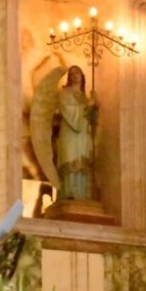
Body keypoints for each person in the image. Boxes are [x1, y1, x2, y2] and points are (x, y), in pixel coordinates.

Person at [56, 65, 97, 200]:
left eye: (77, 72)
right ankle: (70, 193)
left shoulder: (84, 97)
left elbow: (92, 120)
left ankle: (82, 195)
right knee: (70, 159)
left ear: (82, 76)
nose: (75, 76)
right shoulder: (65, 93)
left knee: (82, 161)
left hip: (83, 135)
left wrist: (95, 106)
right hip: (70, 132)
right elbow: (68, 110)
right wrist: (86, 106)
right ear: (69, 77)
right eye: (72, 74)